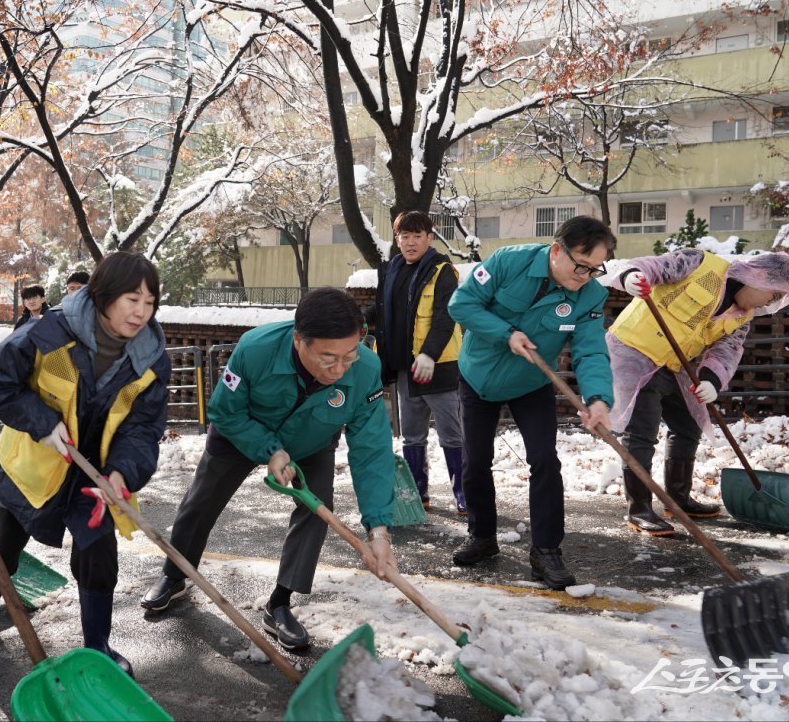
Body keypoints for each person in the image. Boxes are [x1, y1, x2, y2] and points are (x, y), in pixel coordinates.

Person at [141, 288, 397, 651]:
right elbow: (225, 411)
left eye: (349, 355)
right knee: (201, 501)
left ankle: (281, 602)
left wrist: (379, 529)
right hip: (242, 431)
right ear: (299, 340)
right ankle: (175, 574)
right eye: (327, 358)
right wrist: (270, 449)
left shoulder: (366, 370)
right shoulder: (254, 349)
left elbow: (372, 451)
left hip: (312, 439)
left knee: (318, 507)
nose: (339, 369)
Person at [0, 252, 170, 678]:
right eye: (132, 299)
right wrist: (42, 422)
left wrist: (122, 472)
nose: (141, 312)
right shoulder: (48, 332)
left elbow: (144, 427)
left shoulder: (151, 359)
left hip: (94, 476)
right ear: (102, 296)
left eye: (150, 302)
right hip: (34, 465)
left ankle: (97, 645)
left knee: (99, 553)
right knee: (3, 547)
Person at [447, 215, 615, 591]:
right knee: (475, 461)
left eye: (594, 269)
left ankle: (546, 550)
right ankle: (482, 536)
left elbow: (590, 351)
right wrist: (505, 333)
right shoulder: (509, 261)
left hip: (531, 383)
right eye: (580, 265)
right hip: (478, 378)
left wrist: (599, 399)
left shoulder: (590, 296)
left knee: (544, 460)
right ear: (557, 250)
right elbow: (462, 304)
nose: (585, 275)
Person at [607, 250, 789, 535]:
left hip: (672, 362)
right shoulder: (700, 265)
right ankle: (639, 509)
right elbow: (653, 267)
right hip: (633, 352)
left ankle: (678, 500)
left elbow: (726, 352)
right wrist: (632, 276)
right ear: (759, 277)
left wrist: (710, 380)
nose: (769, 303)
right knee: (641, 431)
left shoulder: (741, 317)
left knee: (689, 423)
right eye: (772, 295)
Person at [369, 211, 466, 512]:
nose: (410, 243)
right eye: (404, 236)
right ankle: (417, 495)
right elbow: (385, 314)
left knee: (452, 434)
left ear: (429, 237)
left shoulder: (442, 270)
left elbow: (445, 315)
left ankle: (465, 495)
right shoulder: (392, 269)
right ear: (397, 239)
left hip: (439, 366)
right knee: (412, 435)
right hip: (404, 368)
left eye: (417, 236)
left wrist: (429, 354)